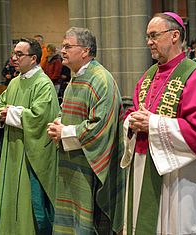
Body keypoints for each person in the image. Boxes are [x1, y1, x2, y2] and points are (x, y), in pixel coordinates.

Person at [121, 12, 196, 234]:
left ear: (175, 35)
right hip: (144, 164)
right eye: (147, 36)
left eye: (154, 35)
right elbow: (134, 110)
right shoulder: (148, 75)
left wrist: (154, 124)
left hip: (179, 176)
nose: (149, 42)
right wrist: (132, 120)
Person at [47, 27, 125, 234]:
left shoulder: (101, 79)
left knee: (89, 221)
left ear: (85, 50)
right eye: (63, 46)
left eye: (68, 46)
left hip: (90, 164)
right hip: (72, 160)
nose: (63, 51)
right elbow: (69, 112)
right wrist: (58, 123)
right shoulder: (77, 77)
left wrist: (64, 132)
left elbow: (100, 126)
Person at [0, 37, 60, 234]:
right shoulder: (13, 83)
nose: (14, 58)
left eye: (19, 54)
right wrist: (2, 114)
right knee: (11, 194)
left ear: (34, 58)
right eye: (14, 53)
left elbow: (41, 116)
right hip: (13, 151)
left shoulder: (43, 84)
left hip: (30, 153)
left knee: (28, 200)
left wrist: (11, 113)